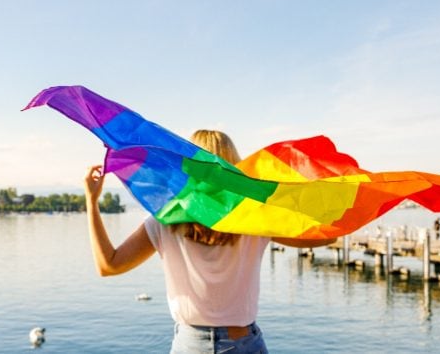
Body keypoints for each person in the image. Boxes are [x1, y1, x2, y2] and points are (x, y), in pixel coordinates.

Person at [83, 129, 337, 354]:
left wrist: (91, 202)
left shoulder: (164, 220)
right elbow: (329, 234)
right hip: (244, 342)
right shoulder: (255, 220)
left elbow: (109, 265)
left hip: (189, 344)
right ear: (234, 168)